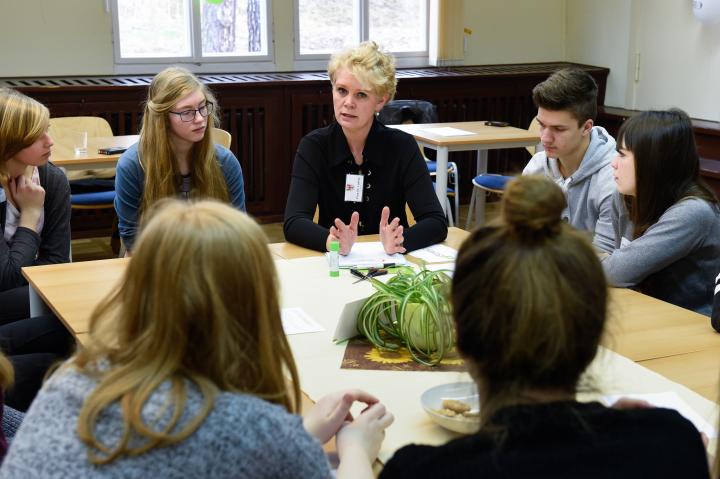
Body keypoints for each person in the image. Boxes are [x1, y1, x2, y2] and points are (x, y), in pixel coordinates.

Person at [0, 200, 393, 478]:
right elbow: (237, 446)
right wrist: (356, 449)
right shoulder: (255, 428)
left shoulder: (71, 382)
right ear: (255, 303)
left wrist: (301, 436)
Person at [379, 175, 710, 478]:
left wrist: (354, 454)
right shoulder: (673, 445)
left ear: (459, 333)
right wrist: (650, 431)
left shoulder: (419, 470)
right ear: (593, 332)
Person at [283, 41, 447, 255]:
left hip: (391, 264)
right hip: (336, 263)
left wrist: (400, 241)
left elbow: (436, 221)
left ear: (380, 101)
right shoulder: (314, 146)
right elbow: (293, 222)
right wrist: (331, 241)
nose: (348, 102)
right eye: (341, 90)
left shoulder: (402, 146)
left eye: (361, 95)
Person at [602, 109, 720, 316]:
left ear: (653, 162)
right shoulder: (624, 197)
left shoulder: (693, 213)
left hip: (692, 327)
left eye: (622, 154)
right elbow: (617, 267)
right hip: (644, 311)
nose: (613, 163)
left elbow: (615, 272)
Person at [114, 67, 246, 252]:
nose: (200, 119)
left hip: (214, 262)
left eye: (202, 107)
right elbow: (133, 239)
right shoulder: (133, 165)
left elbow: (239, 231)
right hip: (156, 266)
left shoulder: (225, 162)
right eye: (187, 112)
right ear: (162, 118)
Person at [0, 88, 74, 411]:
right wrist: (29, 217)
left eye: (48, 130)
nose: (50, 141)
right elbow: (6, 277)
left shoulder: (53, 180)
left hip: (24, 300)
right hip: (11, 301)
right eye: (37, 135)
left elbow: (56, 268)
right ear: (9, 141)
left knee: (71, 343)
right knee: (60, 357)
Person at [523, 67, 616, 252]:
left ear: (586, 127)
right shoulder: (537, 167)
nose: (545, 138)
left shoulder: (614, 178)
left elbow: (604, 256)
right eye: (542, 126)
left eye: (558, 129)